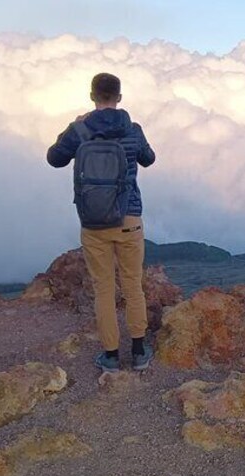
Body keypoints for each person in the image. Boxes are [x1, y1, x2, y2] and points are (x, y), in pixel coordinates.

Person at [47, 72, 155, 372]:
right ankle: (138, 351)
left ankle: (110, 354)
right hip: (129, 216)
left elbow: (54, 158)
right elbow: (149, 159)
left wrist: (75, 124)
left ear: (92, 96)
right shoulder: (133, 130)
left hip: (93, 222)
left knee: (103, 288)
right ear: (119, 97)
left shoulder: (80, 130)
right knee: (133, 285)